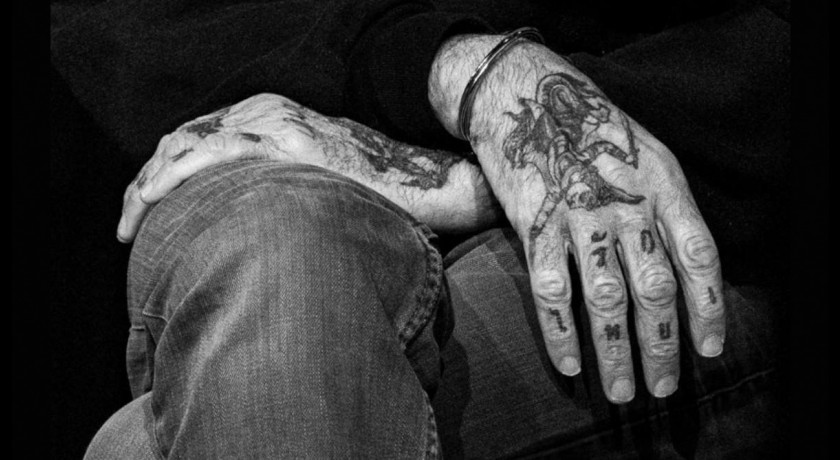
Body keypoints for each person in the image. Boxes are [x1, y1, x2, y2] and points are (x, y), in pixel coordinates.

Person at [51, 0, 789, 457]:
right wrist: (456, 71)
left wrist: (478, 170)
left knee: (140, 446)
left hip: (679, 185)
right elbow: (134, 32)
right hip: (283, 151)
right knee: (276, 241)